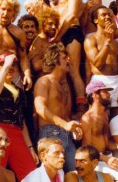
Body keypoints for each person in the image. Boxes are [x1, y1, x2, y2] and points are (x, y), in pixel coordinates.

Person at [0, 53, 38, 180]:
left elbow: (21, 119)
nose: (11, 67)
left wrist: (30, 147)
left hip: (17, 133)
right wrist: (6, 65)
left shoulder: (18, 90)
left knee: (32, 175)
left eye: (14, 65)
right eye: (6, 64)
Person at [34, 43, 82, 171]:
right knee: (53, 175)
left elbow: (65, 115)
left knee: (73, 174)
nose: (68, 60)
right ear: (55, 61)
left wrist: (73, 128)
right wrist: (64, 124)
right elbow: (40, 108)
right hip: (50, 133)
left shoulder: (61, 85)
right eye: (64, 58)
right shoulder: (44, 81)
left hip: (66, 135)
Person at [52, 0, 86, 107]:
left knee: (73, 70)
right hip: (65, 32)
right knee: (65, 71)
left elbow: (72, 14)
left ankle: (81, 104)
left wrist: (58, 36)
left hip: (71, 32)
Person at [84, 6, 118, 117]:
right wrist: (107, 42)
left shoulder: (115, 43)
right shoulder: (90, 40)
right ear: (96, 20)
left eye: (109, 15)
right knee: (102, 117)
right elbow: (98, 64)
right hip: (101, 82)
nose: (107, 17)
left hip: (117, 81)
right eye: (103, 15)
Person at [29, 7, 56, 78]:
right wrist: (55, 57)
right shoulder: (38, 41)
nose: (54, 27)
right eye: (50, 24)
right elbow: (36, 65)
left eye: (55, 24)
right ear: (42, 24)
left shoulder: (49, 41)